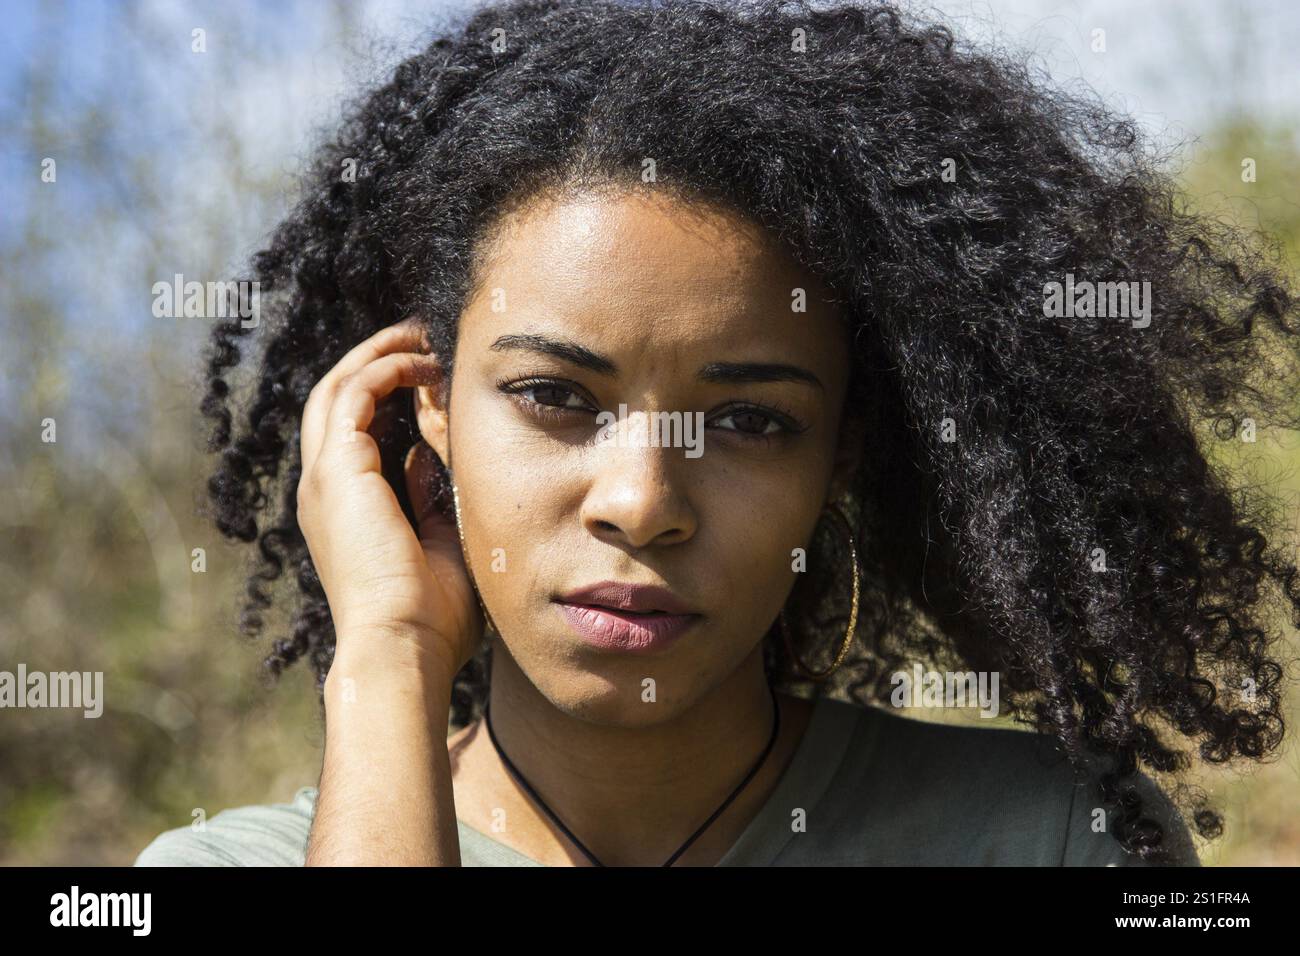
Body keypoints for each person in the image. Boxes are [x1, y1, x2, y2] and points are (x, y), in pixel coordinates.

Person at [135, 0, 1300, 866]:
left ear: (838, 453)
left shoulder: (1053, 838)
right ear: (423, 407)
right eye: (554, 396)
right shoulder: (221, 865)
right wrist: (385, 653)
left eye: (748, 419)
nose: (642, 502)